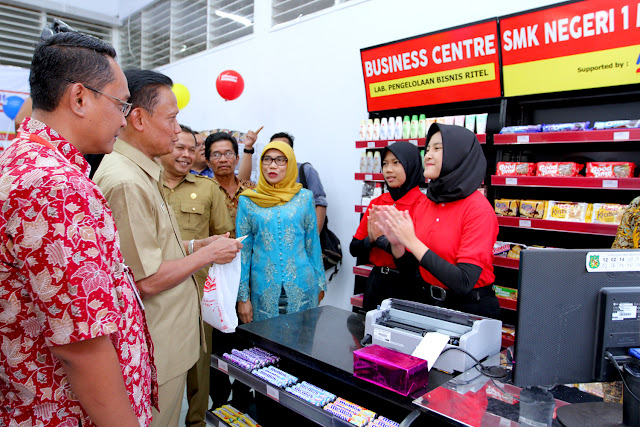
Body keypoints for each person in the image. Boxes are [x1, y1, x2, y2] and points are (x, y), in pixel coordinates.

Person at [0, 32, 156, 426]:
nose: (124, 118)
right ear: (80, 98)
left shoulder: (23, 161)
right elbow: (82, 345)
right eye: (121, 103)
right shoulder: (57, 187)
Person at [93, 69, 242, 427]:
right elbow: (144, 279)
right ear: (140, 118)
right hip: (156, 345)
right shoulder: (127, 181)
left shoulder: (142, 173)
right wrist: (206, 255)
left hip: (168, 340)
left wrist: (194, 244)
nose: (178, 131)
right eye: (172, 119)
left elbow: (150, 249)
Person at [378, 123, 500, 318]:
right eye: (427, 149)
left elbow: (464, 282)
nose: (427, 155)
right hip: (429, 304)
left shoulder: (478, 209)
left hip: (469, 312)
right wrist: (397, 244)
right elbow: (412, 270)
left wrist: (411, 241)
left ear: (458, 155)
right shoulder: (427, 203)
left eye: (437, 148)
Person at [158, 124, 234, 427]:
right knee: (159, 367)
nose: (187, 154)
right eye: (180, 147)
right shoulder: (147, 186)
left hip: (199, 294)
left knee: (200, 368)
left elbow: (225, 238)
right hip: (156, 294)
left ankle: (197, 422)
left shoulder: (207, 189)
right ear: (166, 146)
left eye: (193, 149)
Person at [236, 140, 326, 324]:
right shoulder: (248, 201)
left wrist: (320, 284)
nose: (272, 166)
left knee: (302, 345)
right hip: (264, 288)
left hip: (303, 285)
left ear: (290, 163)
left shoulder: (304, 198)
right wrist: (242, 297)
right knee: (265, 347)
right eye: (267, 160)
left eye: (280, 160)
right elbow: (243, 252)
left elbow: (312, 244)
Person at [349, 141, 426, 310]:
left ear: (411, 165)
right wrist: (371, 240)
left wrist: (383, 241)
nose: (388, 170)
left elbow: (417, 264)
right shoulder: (377, 203)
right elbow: (354, 248)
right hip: (376, 283)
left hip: (409, 288)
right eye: (385, 164)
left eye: (396, 163)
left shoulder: (425, 205)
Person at [270, 132, 328, 232]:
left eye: (283, 147)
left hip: (302, 235)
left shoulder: (305, 171)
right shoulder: (268, 174)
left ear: (291, 151)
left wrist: (314, 237)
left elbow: (320, 203)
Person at [205, 131, 258, 236]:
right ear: (208, 161)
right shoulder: (203, 191)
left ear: (237, 159)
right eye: (216, 155)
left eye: (228, 154)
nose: (223, 159)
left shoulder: (252, 190)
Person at [193, 127, 261, 181]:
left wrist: (248, 148)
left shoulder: (221, 172)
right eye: (197, 145)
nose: (203, 148)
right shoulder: (184, 175)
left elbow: (243, 182)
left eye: (203, 144)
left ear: (237, 159)